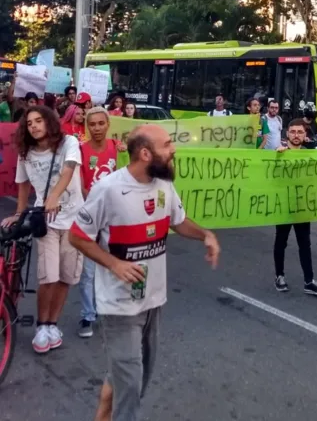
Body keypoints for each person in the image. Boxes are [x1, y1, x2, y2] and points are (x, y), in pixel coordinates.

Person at [69, 124, 220, 421]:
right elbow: (77, 236)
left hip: (153, 300)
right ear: (145, 153)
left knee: (138, 373)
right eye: (167, 145)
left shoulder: (164, 185)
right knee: (131, 386)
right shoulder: (109, 189)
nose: (173, 149)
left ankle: (103, 411)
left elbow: (178, 221)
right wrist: (115, 264)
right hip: (119, 306)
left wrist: (205, 235)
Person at [1, 106, 83, 354]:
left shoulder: (68, 142)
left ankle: (52, 323)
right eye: (29, 123)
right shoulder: (26, 153)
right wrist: (19, 213)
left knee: (66, 277)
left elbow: (69, 169)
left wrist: (54, 196)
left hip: (74, 220)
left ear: (49, 122)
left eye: (38, 121)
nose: (34, 126)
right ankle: (41, 325)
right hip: (44, 222)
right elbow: (23, 185)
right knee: (49, 276)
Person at [78, 107, 125, 338]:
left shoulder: (117, 148)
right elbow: (81, 186)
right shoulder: (80, 150)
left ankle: (108, 310)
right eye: (92, 124)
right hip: (89, 218)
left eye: (100, 123)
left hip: (113, 220)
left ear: (108, 125)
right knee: (87, 272)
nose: (96, 128)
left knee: (111, 266)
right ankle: (88, 315)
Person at [273, 118, 317, 296]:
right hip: (283, 206)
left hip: (302, 206)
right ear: (287, 133)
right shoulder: (279, 153)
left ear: (305, 136)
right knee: (281, 241)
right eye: (293, 132)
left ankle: (309, 281)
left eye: (300, 132)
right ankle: (279, 276)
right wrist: (276, 157)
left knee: (305, 244)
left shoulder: (309, 154)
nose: (296, 136)